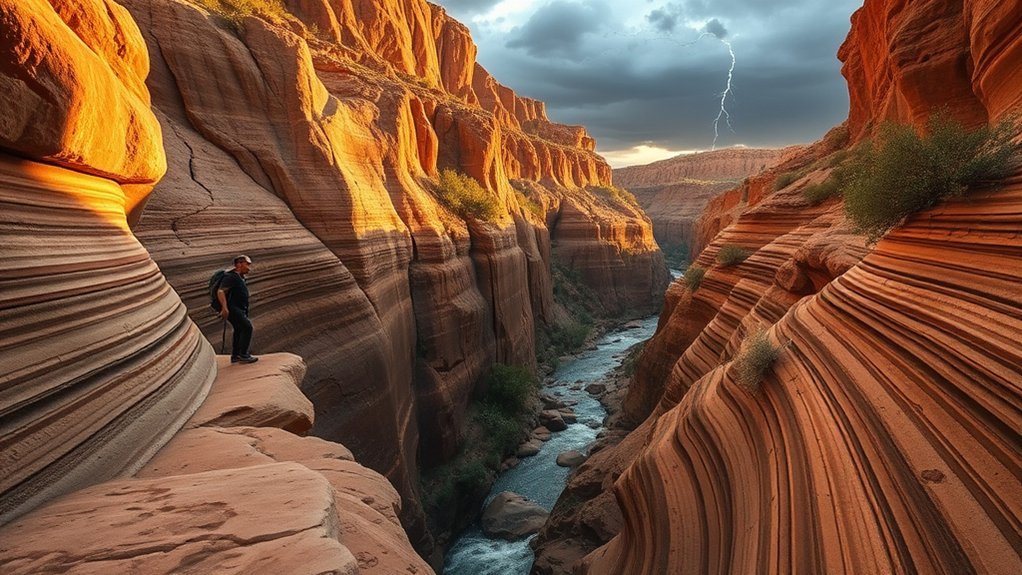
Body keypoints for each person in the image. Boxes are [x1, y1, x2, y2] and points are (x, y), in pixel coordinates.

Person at [217, 255, 258, 364]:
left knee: (239, 329)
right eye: (247, 264)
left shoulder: (239, 277)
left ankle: (235, 355)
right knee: (247, 327)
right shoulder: (231, 277)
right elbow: (221, 291)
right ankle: (243, 355)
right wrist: (224, 308)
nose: (249, 267)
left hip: (238, 308)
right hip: (232, 308)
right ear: (239, 264)